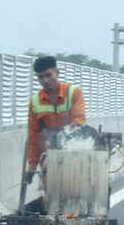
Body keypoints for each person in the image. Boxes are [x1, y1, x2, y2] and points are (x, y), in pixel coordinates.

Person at [24, 55, 86, 184]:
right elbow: (34, 136)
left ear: (57, 72)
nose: (45, 80)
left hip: (73, 151)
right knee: (50, 192)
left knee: (76, 188)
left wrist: (62, 146)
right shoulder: (35, 102)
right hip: (49, 158)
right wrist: (31, 168)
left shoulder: (74, 93)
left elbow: (78, 122)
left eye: (48, 75)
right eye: (40, 77)